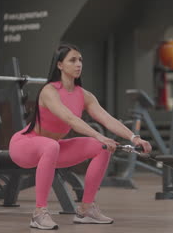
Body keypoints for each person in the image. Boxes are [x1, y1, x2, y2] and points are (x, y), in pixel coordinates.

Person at [8, 43, 152, 230]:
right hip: (24, 146)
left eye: (80, 60)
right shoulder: (49, 91)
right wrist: (100, 136)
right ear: (60, 65)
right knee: (54, 146)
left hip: (53, 148)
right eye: (73, 60)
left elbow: (108, 120)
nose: (78, 64)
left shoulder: (84, 95)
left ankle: (86, 210)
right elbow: (69, 118)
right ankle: (38, 213)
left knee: (100, 149)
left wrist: (134, 138)